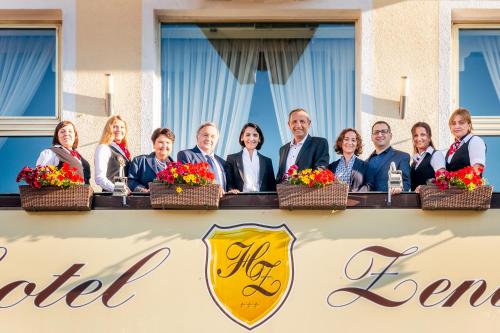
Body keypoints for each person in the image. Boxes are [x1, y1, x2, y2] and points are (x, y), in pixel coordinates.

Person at [276, 108, 329, 182]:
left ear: (309, 124)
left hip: (308, 192)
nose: (298, 125)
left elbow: (321, 169)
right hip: (284, 192)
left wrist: (300, 180)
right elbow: (279, 176)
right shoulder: (283, 149)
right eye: (294, 122)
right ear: (289, 125)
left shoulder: (319, 143)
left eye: (302, 121)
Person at [225, 123, 276, 193]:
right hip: (238, 201)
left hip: (263, 202)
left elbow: (272, 187)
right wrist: (231, 190)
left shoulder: (267, 161)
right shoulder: (231, 159)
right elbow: (229, 183)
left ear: (259, 139)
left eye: (255, 135)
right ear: (242, 138)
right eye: (248, 135)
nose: (251, 138)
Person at [177, 122, 227, 193]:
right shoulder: (186, 155)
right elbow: (185, 182)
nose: (209, 139)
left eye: (213, 136)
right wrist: (214, 189)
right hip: (200, 202)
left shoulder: (222, 162)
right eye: (205, 135)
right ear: (197, 136)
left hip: (224, 202)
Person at [365, 121, 410, 192]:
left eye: (384, 131)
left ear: (390, 135)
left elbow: (406, 182)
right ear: (372, 137)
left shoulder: (402, 157)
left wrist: (400, 188)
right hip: (368, 202)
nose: (380, 135)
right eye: (376, 132)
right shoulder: (366, 162)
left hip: (392, 201)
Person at [128, 128, 175, 192]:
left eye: (168, 142)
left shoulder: (176, 167)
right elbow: (131, 181)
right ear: (153, 144)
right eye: (161, 142)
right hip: (144, 200)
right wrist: (143, 190)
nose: (164, 145)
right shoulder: (139, 161)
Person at [94, 115, 132, 192]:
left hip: (125, 198)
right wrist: (118, 190)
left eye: (122, 127)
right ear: (109, 129)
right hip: (111, 200)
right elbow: (99, 178)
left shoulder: (125, 151)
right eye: (115, 127)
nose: (119, 130)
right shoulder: (104, 148)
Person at [446, 108, 486, 174]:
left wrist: (457, 180)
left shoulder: (475, 141)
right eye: (453, 123)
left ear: (469, 125)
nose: (457, 126)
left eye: (461, 123)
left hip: (470, 184)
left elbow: (478, 169)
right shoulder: (452, 147)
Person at [410, 122, 445, 192]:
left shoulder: (436, 155)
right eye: (416, 135)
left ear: (429, 138)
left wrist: (425, 187)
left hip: (432, 201)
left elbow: (442, 181)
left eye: (422, 135)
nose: (419, 139)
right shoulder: (415, 161)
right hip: (417, 201)